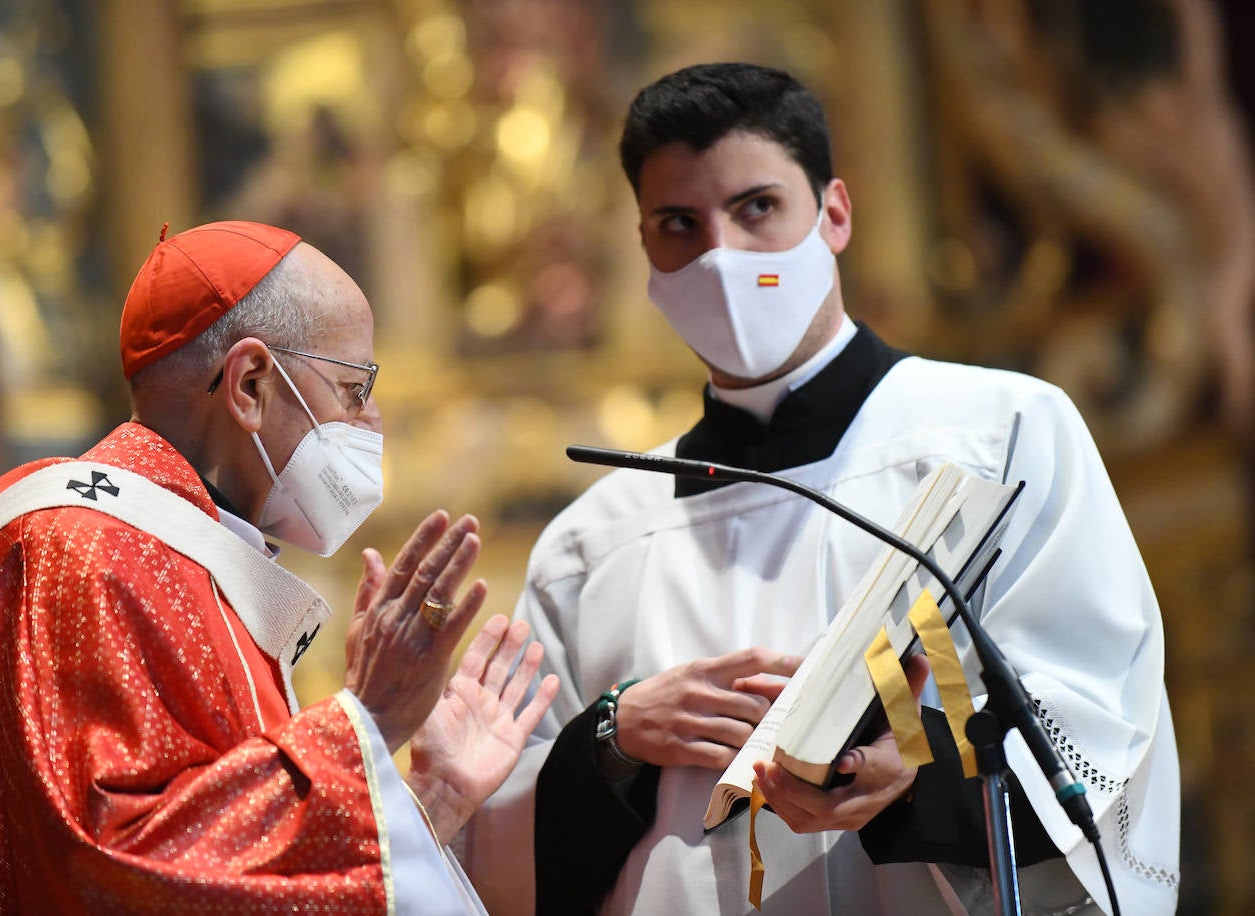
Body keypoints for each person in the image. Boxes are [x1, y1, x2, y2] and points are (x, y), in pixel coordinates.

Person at [461, 63, 1179, 914]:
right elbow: (504, 853)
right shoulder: (592, 543)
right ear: (645, 249)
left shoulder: (999, 433)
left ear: (833, 213)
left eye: (757, 207)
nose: (720, 257)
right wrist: (615, 739)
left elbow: (1098, 720)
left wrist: (914, 781)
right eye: (679, 224)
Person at [0, 220, 559, 913]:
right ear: (251, 384)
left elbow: (226, 859)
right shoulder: (90, 552)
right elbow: (116, 871)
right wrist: (366, 723)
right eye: (355, 388)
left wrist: (427, 802)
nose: (376, 421)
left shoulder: (176, 552)